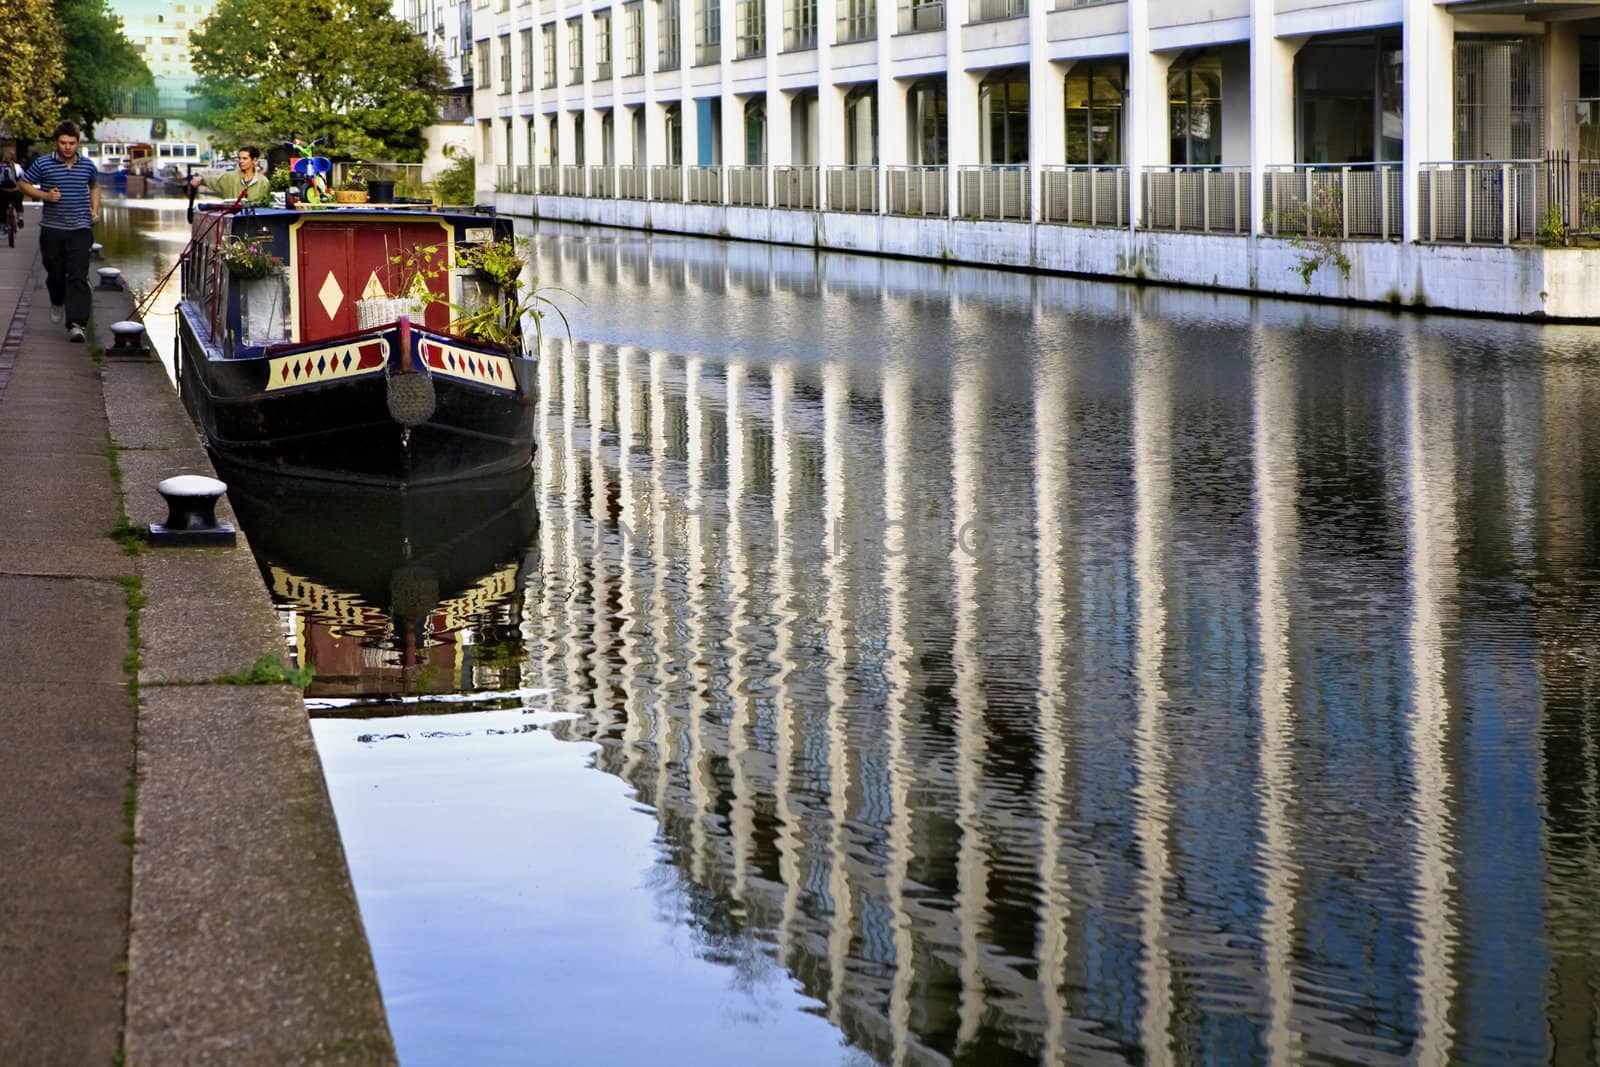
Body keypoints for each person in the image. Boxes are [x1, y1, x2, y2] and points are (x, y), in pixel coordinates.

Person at [19, 122, 100, 343]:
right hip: (53, 229)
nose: (67, 147)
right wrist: (44, 196)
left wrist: (94, 210)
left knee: (77, 275)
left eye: (71, 143)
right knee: (55, 274)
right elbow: (23, 183)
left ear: (77, 143)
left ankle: (76, 323)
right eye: (63, 143)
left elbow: (94, 186)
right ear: (57, 142)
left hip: (81, 228)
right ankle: (56, 300)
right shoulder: (44, 163)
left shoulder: (87, 165)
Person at [189, 145, 272, 205]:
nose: (241, 161)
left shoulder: (263, 182)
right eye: (239, 158)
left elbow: (266, 204)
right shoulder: (229, 177)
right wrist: (201, 179)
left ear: (254, 160)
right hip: (232, 221)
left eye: (245, 158)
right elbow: (213, 182)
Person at [0, 148, 24, 232]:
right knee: (19, 203)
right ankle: (20, 216)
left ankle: (2, 225)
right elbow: (22, 178)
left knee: (2, 208)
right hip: (15, 191)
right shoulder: (17, 166)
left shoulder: (0, 167)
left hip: (3, 192)